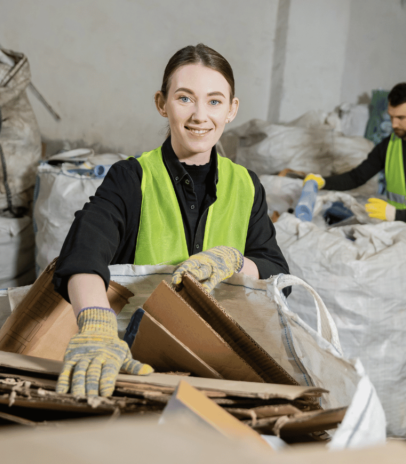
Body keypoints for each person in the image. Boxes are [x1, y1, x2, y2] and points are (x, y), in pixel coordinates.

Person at [52, 44, 289, 398]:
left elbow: (276, 271)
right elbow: (84, 248)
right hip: (132, 363)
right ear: (162, 104)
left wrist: (234, 261)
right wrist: (97, 324)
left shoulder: (246, 185)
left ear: (231, 110)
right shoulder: (133, 178)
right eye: (184, 98)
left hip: (216, 368)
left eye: (214, 101)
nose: (199, 116)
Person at [300, 82, 406, 395]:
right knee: (403, 301)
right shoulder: (391, 143)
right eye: (391, 117)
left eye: (401, 118)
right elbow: (359, 175)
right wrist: (323, 180)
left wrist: (395, 215)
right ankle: (405, 368)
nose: (394, 124)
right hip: (403, 236)